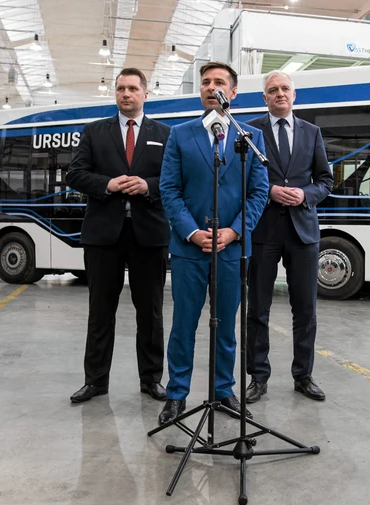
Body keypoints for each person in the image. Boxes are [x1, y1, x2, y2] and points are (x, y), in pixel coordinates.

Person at [157, 61, 269, 425]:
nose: (210, 86)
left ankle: (223, 390)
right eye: (205, 82)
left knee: (226, 326)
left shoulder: (250, 137)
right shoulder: (180, 135)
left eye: (219, 81)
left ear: (233, 92)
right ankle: (176, 394)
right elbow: (169, 189)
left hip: (232, 250)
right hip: (189, 249)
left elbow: (259, 192)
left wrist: (235, 231)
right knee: (183, 325)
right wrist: (191, 231)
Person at [66, 67, 171, 404]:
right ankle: (95, 381)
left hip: (149, 233)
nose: (126, 94)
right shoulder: (94, 131)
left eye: (132, 89)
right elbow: (75, 174)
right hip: (103, 235)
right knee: (100, 311)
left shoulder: (165, 134)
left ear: (145, 94)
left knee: (150, 312)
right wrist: (107, 184)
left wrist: (148, 186)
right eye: (121, 88)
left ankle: (151, 380)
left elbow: (175, 178)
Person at [244, 71, 333, 404]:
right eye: (273, 90)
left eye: (285, 89)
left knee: (305, 309)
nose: (279, 93)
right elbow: (241, 176)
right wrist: (269, 190)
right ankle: (258, 377)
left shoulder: (312, 132)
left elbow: (325, 180)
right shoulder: (250, 132)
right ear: (264, 98)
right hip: (263, 230)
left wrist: (305, 194)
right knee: (258, 309)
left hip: (303, 232)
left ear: (294, 95)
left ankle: (303, 375)